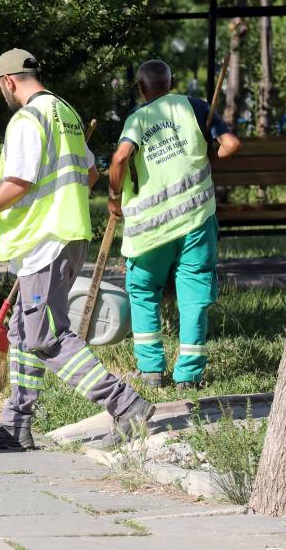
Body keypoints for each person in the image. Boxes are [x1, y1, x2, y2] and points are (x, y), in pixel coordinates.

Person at [0, 49, 154, 450]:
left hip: (45, 240)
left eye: (0, 87)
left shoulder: (28, 119)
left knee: (44, 338)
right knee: (22, 333)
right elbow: (89, 173)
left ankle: (126, 405)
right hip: (66, 233)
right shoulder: (66, 113)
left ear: (8, 81)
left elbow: (16, 184)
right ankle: (15, 426)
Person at [107, 60, 242, 392]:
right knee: (194, 295)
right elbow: (231, 145)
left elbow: (121, 157)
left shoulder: (138, 118)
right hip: (196, 219)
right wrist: (207, 156)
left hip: (149, 229)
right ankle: (189, 375)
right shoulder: (195, 107)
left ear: (141, 88)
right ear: (172, 82)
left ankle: (151, 371)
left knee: (143, 292)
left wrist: (113, 196)